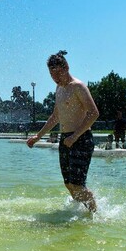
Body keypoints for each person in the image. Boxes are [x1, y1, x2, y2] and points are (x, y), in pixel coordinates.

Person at [26, 50, 99, 212]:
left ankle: (95, 215)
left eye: (58, 73)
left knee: (77, 185)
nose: (55, 78)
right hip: (65, 139)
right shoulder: (58, 89)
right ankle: (83, 213)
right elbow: (54, 117)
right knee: (68, 184)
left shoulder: (78, 87)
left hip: (81, 138)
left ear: (66, 67)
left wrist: (75, 136)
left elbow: (94, 113)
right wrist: (38, 136)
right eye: (52, 74)